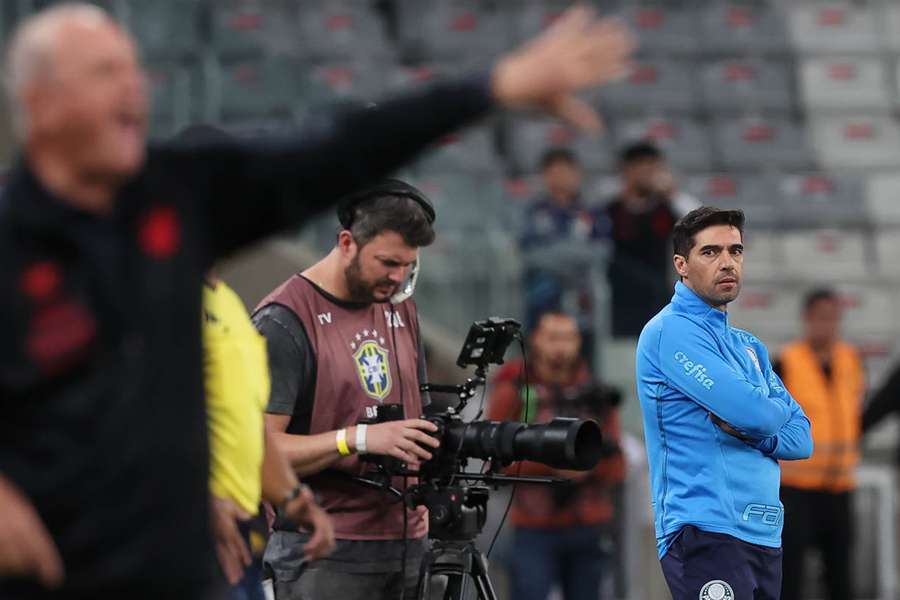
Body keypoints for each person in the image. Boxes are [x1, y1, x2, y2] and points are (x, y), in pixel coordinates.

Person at [0, 3, 633, 598]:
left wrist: (490, 89)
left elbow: (336, 147)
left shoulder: (174, 195)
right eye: (106, 72)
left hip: (179, 568)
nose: (134, 87)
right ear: (40, 101)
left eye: (135, 69)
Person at [253, 180, 439, 599]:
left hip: (408, 544)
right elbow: (256, 451)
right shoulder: (284, 320)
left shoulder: (401, 306)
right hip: (323, 552)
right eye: (388, 262)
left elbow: (418, 421)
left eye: (408, 265)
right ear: (346, 242)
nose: (398, 277)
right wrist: (353, 439)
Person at [635, 207, 813, 600]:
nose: (728, 262)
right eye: (711, 252)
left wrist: (759, 428)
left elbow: (802, 439)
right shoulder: (669, 332)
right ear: (681, 264)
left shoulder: (748, 346)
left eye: (736, 251)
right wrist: (764, 414)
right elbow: (759, 415)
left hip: (763, 531)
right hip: (705, 529)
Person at [203, 273, 336, 600]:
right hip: (192, 532)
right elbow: (137, 419)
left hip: (243, 531)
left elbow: (251, 429)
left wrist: (293, 498)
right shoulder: (153, 296)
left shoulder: (226, 301)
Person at [487, 310, 624, 600]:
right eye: (552, 338)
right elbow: (492, 456)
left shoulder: (596, 392)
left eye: (568, 338)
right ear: (536, 340)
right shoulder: (515, 389)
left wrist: (588, 468)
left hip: (589, 521)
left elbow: (617, 463)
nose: (560, 347)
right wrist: (552, 468)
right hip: (534, 526)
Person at [774, 288, 864, 600]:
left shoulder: (850, 360)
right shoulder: (786, 362)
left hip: (839, 487)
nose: (827, 325)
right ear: (807, 319)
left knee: (840, 578)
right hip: (797, 488)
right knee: (791, 577)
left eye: (833, 318)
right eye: (820, 318)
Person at [519, 148, 610, 361]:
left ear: (577, 174)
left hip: (582, 303)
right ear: (545, 175)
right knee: (535, 365)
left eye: (566, 171)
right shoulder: (532, 212)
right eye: (555, 172)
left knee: (582, 362)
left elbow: (601, 251)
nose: (561, 177)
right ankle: (532, 396)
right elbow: (529, 254)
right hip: (540, 300)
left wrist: (556, 252)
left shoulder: (592, 211)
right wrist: (573, 256)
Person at [605, 142, 683, 338]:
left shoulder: (665, 209)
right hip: (619, 301)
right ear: (627, 171)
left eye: (653, 166)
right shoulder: (611, 211)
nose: (648, 172)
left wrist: (673, 194)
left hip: (658, 298)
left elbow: (702, 222)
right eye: (641, 166)